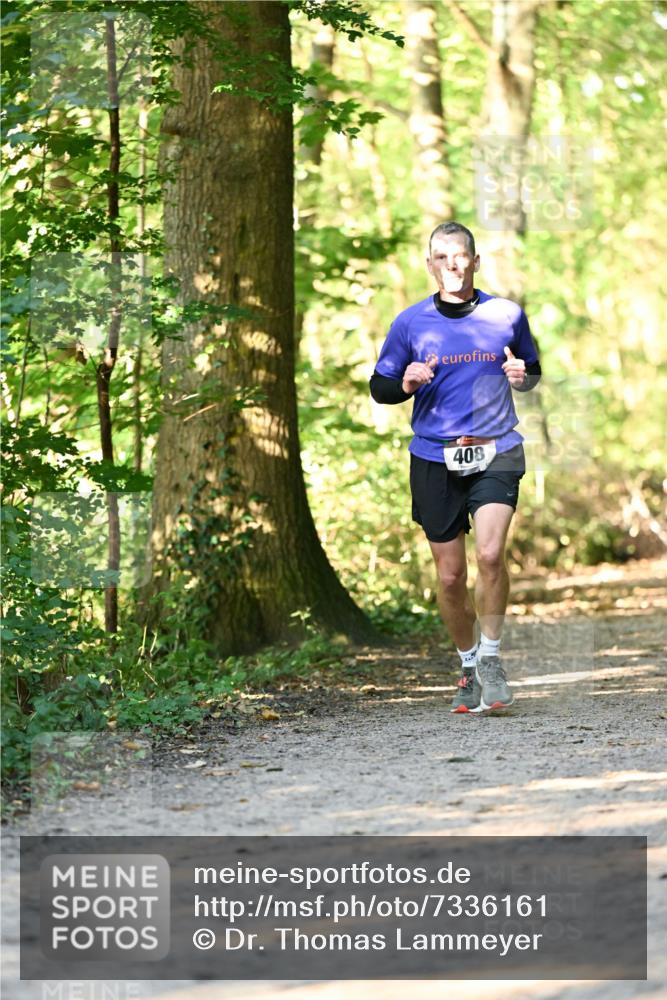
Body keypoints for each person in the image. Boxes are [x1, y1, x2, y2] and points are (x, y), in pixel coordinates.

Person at [369, 221, 541, 714]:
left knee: (489, 555)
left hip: (497, 450)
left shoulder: (506, 314)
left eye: (460, 256)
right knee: (449, 577)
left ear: (475, 261)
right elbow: (379, 388)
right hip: (434, 456)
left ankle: (490, 657)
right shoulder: (410, 323)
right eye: (442, 258)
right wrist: (405, 382)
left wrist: (521, 375)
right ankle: (467, 666)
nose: (452, 265)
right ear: (430, 265)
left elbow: (530, 370)